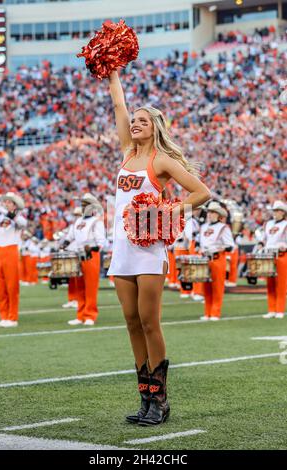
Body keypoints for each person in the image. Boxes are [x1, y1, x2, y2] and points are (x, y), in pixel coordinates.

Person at [106, 70, 211, 426]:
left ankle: (161, 401)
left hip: (149, 250)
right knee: (131, 322)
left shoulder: (161, 161)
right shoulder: (126, 152)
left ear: (155, 127)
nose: (134, 123)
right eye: (133, 121)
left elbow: (201, 193)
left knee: (150, 323)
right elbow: (118, 103)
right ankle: (145, 398)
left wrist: (168, 209)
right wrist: (113, 73)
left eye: (142, 121)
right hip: (121, 248)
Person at [63, 193, 106, 326]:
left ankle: (90, 315)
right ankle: (80, 314)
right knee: (79, 286)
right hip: (78, 255)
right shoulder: (78, 221)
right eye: (82, 205)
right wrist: (64, 244)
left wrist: (91, 248)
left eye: (85, 205)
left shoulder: (96, 221)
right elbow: (70, 236)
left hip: (90, 255)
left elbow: (101, 241)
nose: (82, 207)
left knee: (90, 287)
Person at [0, 192, 27, 327]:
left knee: (12, 286)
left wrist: (4, 211)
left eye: (9, 202)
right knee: (0, 286)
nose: (6, 203)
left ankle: (12, 318)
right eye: (5, 201)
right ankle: (4, 316)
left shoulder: (18, 217)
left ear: (14, 204)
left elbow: (23, 223)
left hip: (11, 250)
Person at [199, 201, 234, 321]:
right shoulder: (203, 227)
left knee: (217, 287)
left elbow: (230, 245)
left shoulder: (223, 227)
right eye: (209, 212)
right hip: (205, 259)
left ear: (218, 214)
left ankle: (215, 313)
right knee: (206, 286)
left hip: (218, 259)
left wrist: (220, 248)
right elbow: (201, 243)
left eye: (212, 212)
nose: (210, 214)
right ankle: (207, 312)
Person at [261, 201, 287, 319]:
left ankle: (280, 310)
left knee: (281, 283)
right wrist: (261, 245)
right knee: (270, 283)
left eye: (277, 210)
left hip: (281, 255)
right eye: (274, 210)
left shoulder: (286, 224)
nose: (275, 213)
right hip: (269, 255)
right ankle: (271, 309)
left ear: (283, 212)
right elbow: (264, 239)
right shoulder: (268, 224)